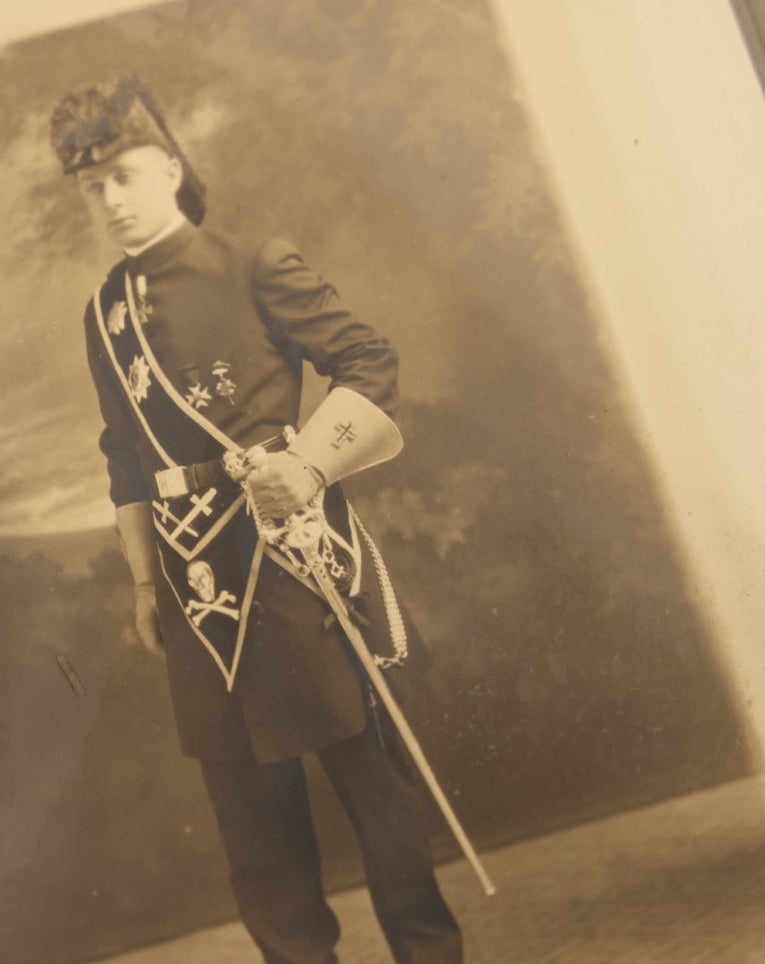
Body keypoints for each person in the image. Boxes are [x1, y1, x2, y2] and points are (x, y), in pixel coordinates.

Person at [52, 75, 463, 964]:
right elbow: (124, 454)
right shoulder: (102, 316)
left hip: (294, 562)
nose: (112, 201)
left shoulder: (253, 262)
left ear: (167, 164)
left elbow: (368, 362)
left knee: (382, 812)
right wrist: (139, 581)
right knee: (258, 846)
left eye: (124, 174)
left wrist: (308, 463)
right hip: (197, 595)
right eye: (93, 189)